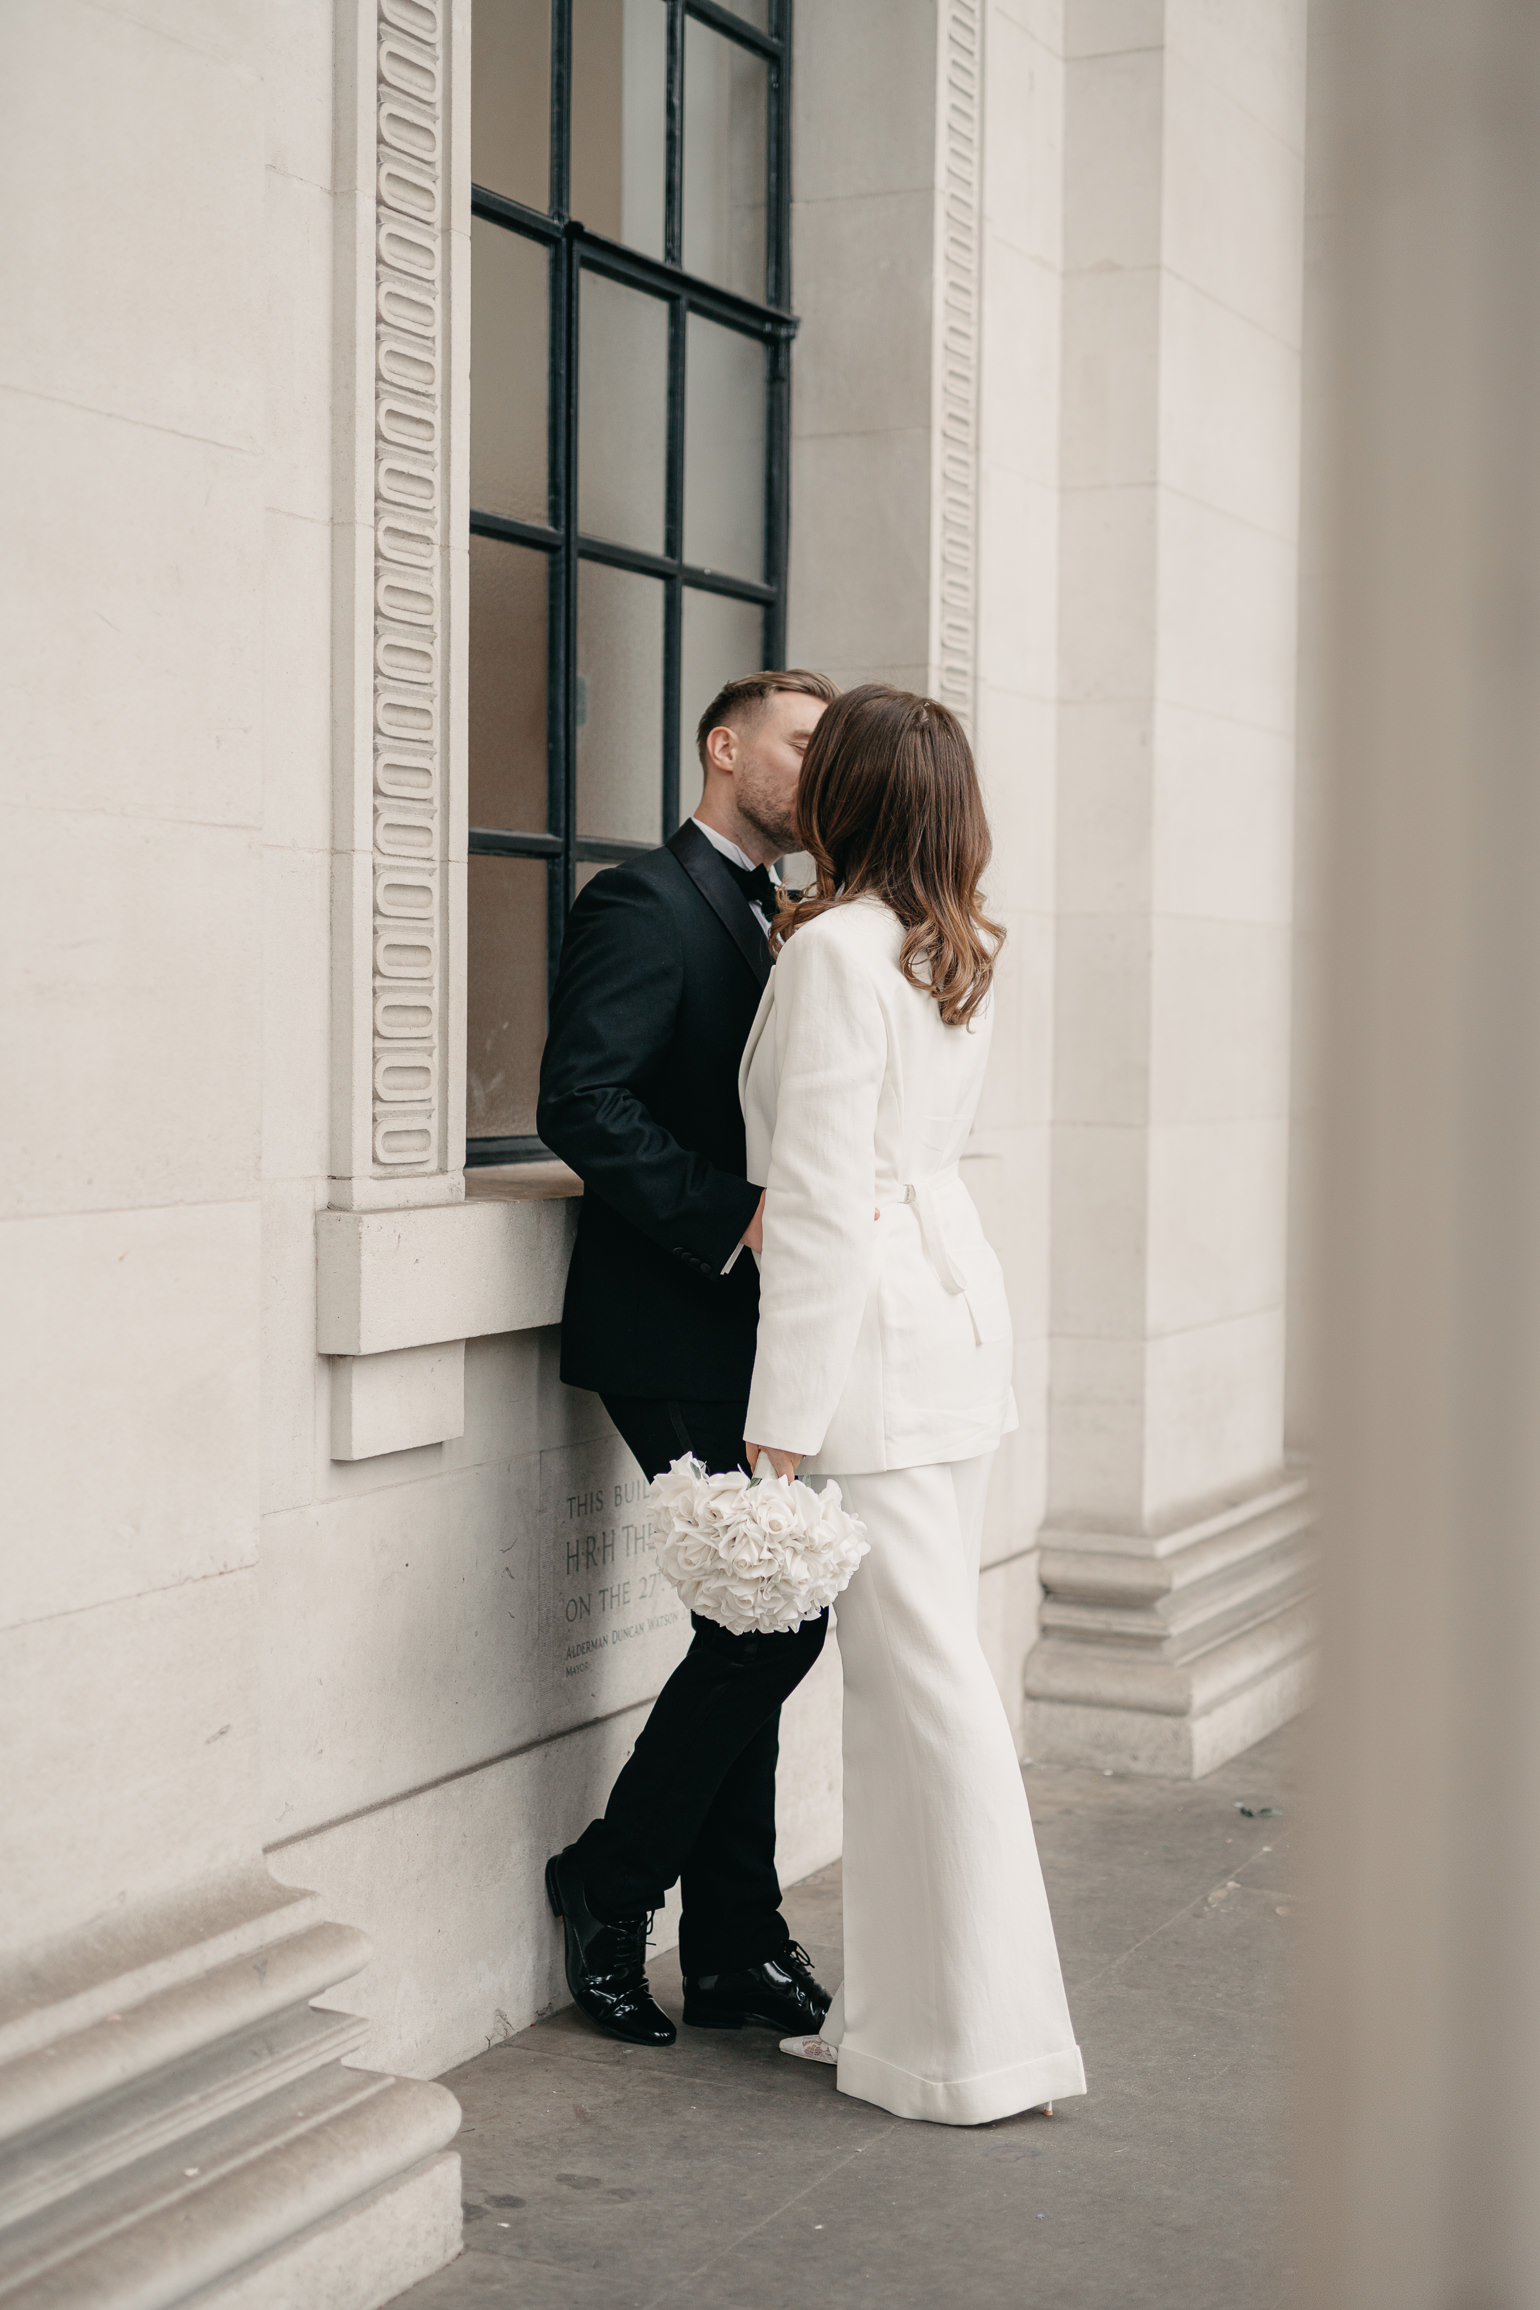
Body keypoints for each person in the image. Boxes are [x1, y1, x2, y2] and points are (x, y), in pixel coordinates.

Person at [739, 683, 1087, 2125]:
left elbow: (822, 1199)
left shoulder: (835, 954)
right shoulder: (956, 951)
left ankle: (982, 2041)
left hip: (877, 1347)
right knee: (909, 1695)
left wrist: (783, 1409)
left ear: (853, 799)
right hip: (950, 1332)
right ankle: (901, 2022)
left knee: (924, 1695)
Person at [537, 668, 841, 2049]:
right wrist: (738, 1219)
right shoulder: (640, 902)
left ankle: (732, 1944)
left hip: (752, 1337)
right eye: (800, 745)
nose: (819, 771)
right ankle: (611, 1883)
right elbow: (580, 1100)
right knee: (768, 1619)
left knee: (753, 1627)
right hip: (663, 1320)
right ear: (727, 749)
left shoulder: (794, 919)